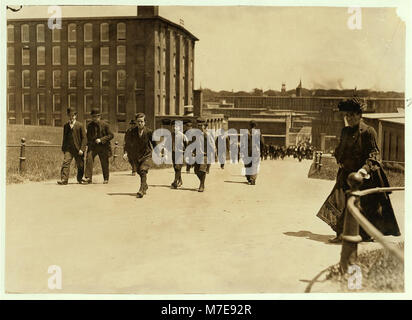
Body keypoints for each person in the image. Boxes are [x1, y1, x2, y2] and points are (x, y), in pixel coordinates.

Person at [316, 98, 401, 243]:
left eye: (352, 115)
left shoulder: (368, 132)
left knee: (365, 206)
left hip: (364, 176)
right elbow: (340, 149)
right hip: (346, 174)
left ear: (359, 115)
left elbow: (374, 154)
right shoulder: (345, 131)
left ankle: (363, 234)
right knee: (339, 201)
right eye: (347, 115)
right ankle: (341, 233)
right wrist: (339, 159)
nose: (349, 118)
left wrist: (364, 169)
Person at [123, 113, 157, 198]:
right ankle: (145, 185)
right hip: (136, 155)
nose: (140, 123)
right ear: (136, 122)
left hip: (147, 154)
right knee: (138, 171)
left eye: (141, 121)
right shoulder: (131, 132)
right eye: (138, 121)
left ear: (145, 122)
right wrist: (126, 153)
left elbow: (154, 143)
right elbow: (127, 143)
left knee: (143, 170)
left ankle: (141, 189)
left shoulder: (149, 132)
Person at [57, 108, 87, 185]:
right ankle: (64, 179)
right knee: (65, 163)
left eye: (73, 115)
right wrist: (63, 148)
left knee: (80, 165)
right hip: (69, 149)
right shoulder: (66, 126)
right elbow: (64, 137)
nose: (72, 117)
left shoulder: (80, 125)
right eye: (70, 115)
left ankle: (79, 179)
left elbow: (84, 138)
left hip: (78, 149)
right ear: (68, 116)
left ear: (75, 116)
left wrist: (82, 149)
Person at [84, 108, 114, 184]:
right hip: (93, 147)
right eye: (93, 117)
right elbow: (88, 137)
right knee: (89, 158)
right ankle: (88, 178)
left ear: (99, 116)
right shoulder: (89, 125)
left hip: (103, 147)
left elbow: (111, 135)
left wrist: (101, 140)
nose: (94, 118)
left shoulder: (105, 125)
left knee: (104, 162)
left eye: (96, 117)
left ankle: (106, 178)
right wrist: (86, 145)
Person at [192, 118, 213, 192]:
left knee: (202, 170)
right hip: (197, 155)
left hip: (205, 155)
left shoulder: (207, 135)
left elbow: (211, 145)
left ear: (204, 126)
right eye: (198, 125)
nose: (200, 127)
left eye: (201, 125)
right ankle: (202, 183)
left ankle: (201, 185)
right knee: (196, 171)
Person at [168, 119, 188, 189]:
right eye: (173, 126)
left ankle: (175, 182)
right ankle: (180, 180)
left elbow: (186, 145)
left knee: (177, 167)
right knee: (175, 168)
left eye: (176, 126)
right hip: (173, 153)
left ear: (179, 127)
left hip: (180, 153)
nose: (174, 128)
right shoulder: (170, 135)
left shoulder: (182, 136)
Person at [243, 120, 264, 185]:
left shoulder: (247, 133)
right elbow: (262, 142)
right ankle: (252, 179)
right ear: (255, 125)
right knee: (254, 165)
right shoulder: (258, 133)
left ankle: (249, 177)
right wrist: (261, 150)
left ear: (249, 125)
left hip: (248, 150)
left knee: (248, 164)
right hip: (256, 151)